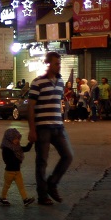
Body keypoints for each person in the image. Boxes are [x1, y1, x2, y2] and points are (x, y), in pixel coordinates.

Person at [27, 51, 74, 206]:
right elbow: (31, 108)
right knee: (42, 162)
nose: (59, 66)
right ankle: (42, 195)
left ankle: (52, 183)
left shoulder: (60, 82)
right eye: (56, 63)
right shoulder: (37, 82)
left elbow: (56, 104)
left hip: (58, 127)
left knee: (68, 156)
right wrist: (32, 129)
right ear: (48, 64)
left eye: (59, 63)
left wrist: (61, 122)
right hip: (43, 128)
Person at [0, 127, 36, 206]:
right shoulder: (6, 149)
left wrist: (31, 142)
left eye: (18, 139)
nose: (17, 141)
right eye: (15, 139)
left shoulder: (17, 147)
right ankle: (3, 198)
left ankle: (25, 199)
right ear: (10, 138)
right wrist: (15, 160)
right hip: (9, 172)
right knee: (6, 186)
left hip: (17, 172)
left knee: (21, 186)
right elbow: (6, 160)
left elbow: (26, 149)